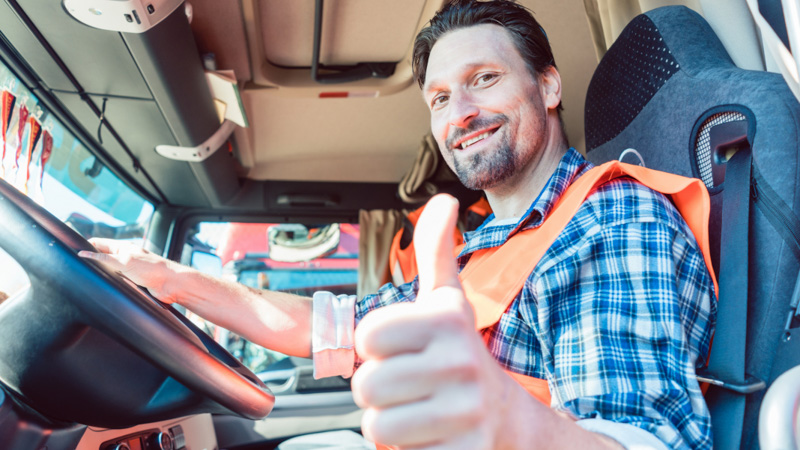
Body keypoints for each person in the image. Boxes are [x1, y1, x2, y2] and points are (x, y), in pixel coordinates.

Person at [80, 0, 716, 448]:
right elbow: (324, 328)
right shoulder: (481, 250)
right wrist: (172, 280)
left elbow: (643, 438)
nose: (459, 113)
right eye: (439, 98)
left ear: (548, 87)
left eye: (484, 80)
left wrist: (508, 426)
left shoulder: (609, 219)